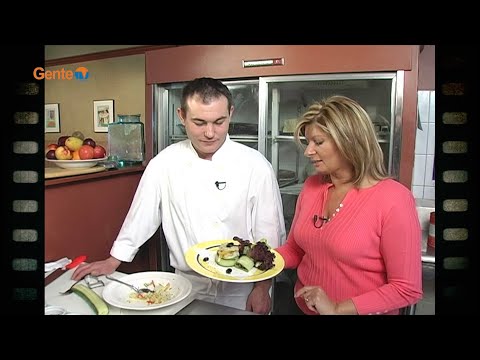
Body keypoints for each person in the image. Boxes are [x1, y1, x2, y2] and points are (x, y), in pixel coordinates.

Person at [72, 77, 286, 314]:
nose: (210, 133)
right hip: (187, 285)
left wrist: (263, 288)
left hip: (242, 287)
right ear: (181, 115)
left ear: (231, 114)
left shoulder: (256, 166)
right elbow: (141, 216)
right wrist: (113, 260)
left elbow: (269, 232)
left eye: (219, 121)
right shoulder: (163, 164)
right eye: (199, 122)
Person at [275, 95, 423, 315]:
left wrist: (337, 308)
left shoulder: (394, 199)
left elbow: (406, 289)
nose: (308, 151)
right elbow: (296, 249)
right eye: (308, 143)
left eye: (319, 142)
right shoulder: (311, 187)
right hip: (301, 309)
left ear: (348, 140)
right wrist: (256, 259)